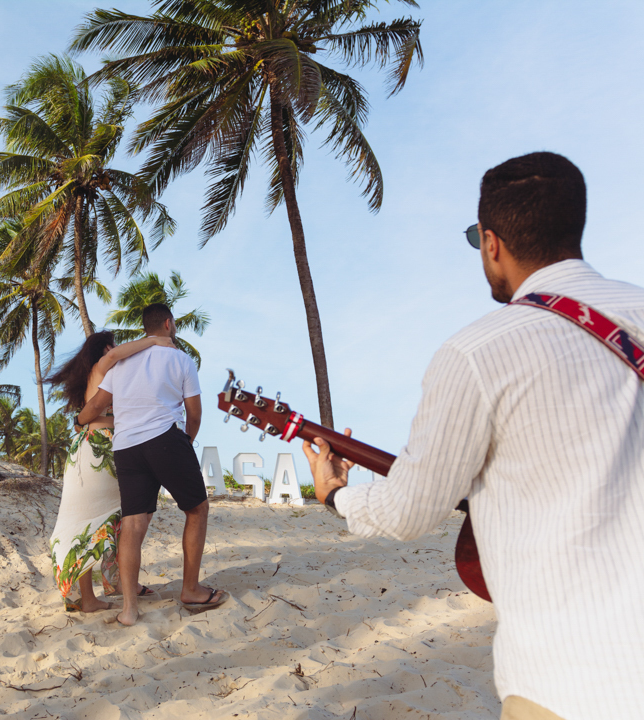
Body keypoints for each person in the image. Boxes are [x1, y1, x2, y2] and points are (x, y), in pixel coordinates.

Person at [303, 152, 644, 720]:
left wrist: (337, 495)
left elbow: (408, 510)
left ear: (491, 243)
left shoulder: (479, 352)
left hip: (573, 680)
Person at [77, 303, 227, 627]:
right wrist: (186, 441)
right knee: (197, 509)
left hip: (125, 447)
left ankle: (129, 609)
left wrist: (83, 419)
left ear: (145, 328)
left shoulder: (120, 365)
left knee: (132, 523)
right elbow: (194, 414)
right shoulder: (181, 359)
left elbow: (94, 408)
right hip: (164, 439)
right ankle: (191, 589)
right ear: (169, 324)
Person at [46, 331, 174, 613]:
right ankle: (113, 585)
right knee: (127, 514)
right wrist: (153, 340)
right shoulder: (102, 366)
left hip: (89, 451)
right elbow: (114, 360)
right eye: (113, 345)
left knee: (95, 521)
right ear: (105, 348)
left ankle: (100, 591)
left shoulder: (96, 376)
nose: (117, 350)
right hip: (99, 450)